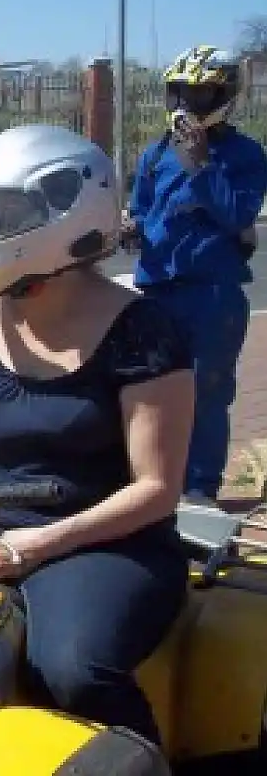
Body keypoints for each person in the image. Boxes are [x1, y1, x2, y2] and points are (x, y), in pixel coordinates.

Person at [0, 123, 194, 748]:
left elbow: (156, 489)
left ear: (69, 214)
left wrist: (36, 546)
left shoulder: (143, 334)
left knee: (71, 668)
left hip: (102, 545)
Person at [124, 45, 267, 501]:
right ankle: (149, 479)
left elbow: (238, 213)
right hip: (157, 290)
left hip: (212, 293)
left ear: (223, 96)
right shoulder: (155, 153)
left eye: (199, 95)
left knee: (207, 391)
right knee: (149, 388)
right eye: (180, 94)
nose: (187, 106)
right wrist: (131, 228)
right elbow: (144, 210)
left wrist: (202, 164)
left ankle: (200, 488)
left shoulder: (244, 154)